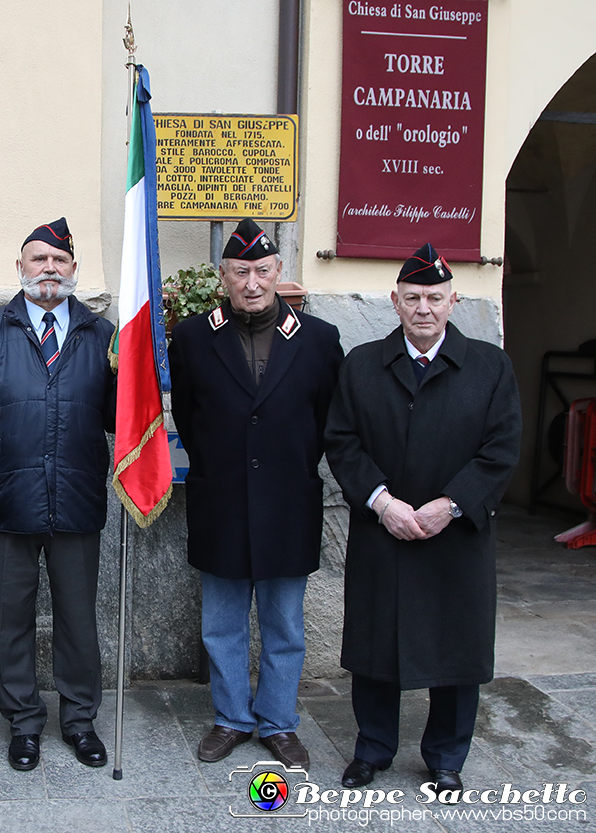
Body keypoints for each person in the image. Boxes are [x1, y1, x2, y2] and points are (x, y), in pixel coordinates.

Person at [325, 243, 521, 797]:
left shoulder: (490, 366)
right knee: (375, 647)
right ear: (395, 301)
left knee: (456, 650)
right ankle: (373, 750)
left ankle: (446, 757)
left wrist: (449, 505)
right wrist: (384, 503)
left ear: (454, 301)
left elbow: (501, 449)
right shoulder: (362, 365)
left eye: (435, 298)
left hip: (456, 536)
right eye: (413, 298)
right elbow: (342, 442)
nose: (424, 308)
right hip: (383, 529)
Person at [167, 218, 344, 769]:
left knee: (285, 626)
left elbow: (326, 420)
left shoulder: (318, 339)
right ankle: (231, 718)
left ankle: (278, 722)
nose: (251, 283)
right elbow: (191, 420)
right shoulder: (195, 336)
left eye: (261, 271)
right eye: (240, 271)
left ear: (278, 272)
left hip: (288, 502)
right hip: (220, 500)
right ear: (222, 276)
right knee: (221, 625)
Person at [0, 218, 116, 772]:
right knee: (10, 618)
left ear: (74, 270)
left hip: (76, 501)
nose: (48, 268)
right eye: (37, 259)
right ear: (19, 268)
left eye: (59, 260)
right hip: (6, 504)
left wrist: (151, 368)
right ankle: (23, 722)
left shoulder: (103, 336)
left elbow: (120, 415)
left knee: (77, 619)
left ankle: (79, 720)